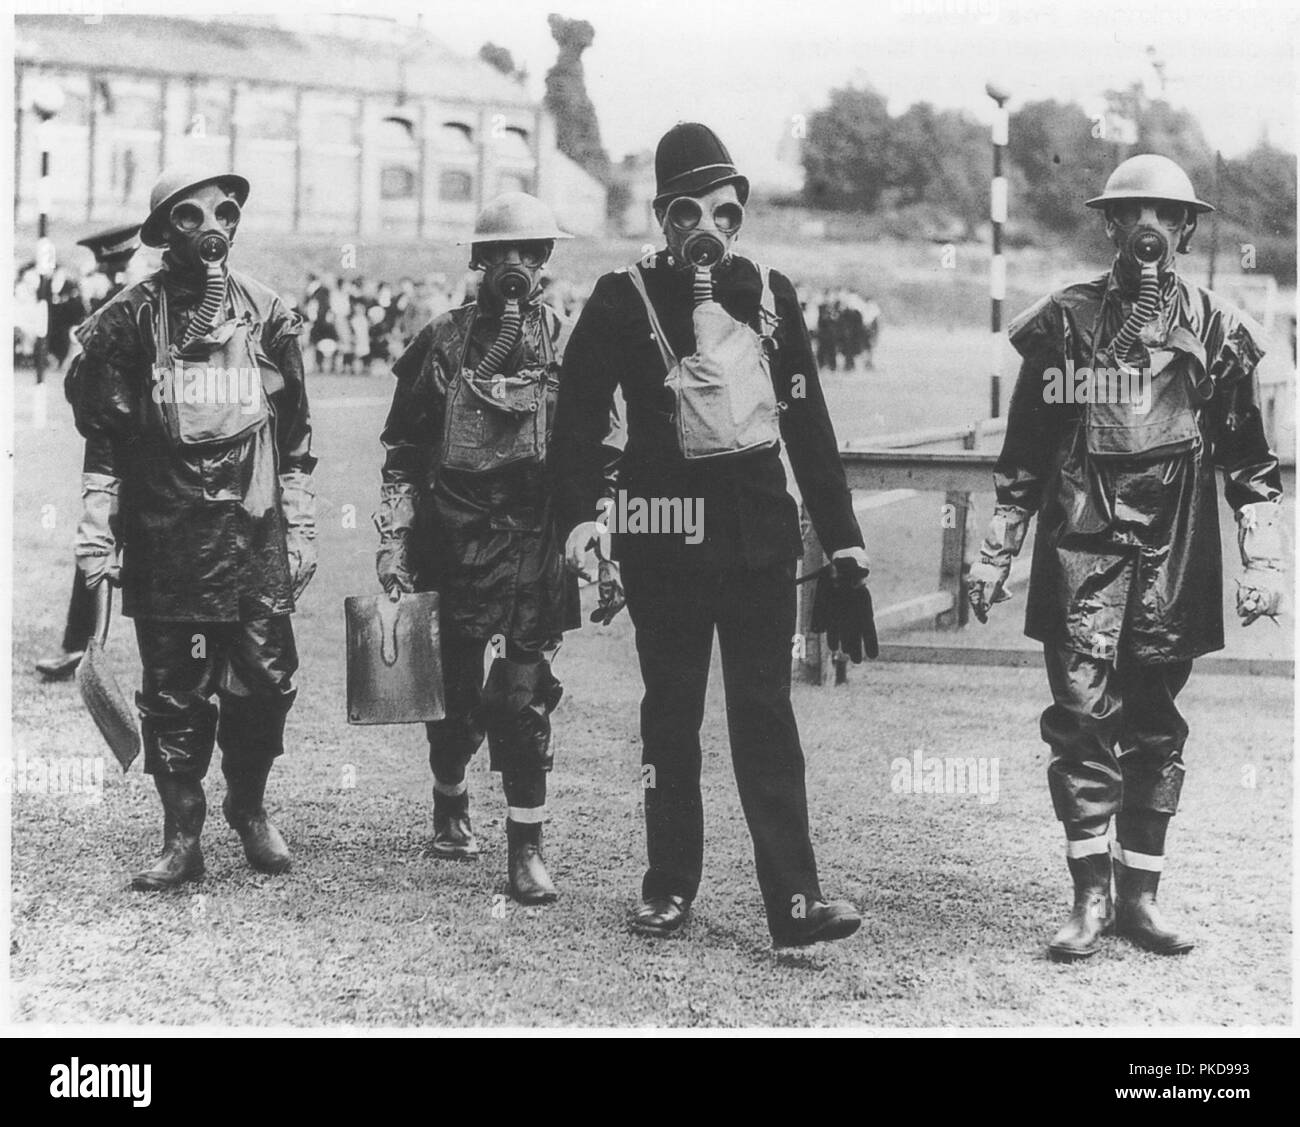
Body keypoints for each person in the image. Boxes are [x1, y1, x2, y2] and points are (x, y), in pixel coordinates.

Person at [550, 122, 874, 948]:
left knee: (765, 713)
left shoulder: (769, 291)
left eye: (725, 212)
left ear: (740, 214)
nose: (709, 230)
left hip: (760, 538)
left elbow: (808, 421)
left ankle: (794, 899)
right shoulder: (622, 298)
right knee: (672, 716)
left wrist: (842, 542)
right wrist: (584, 515)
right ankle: (668, 884)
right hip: (663, 539)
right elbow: (579, 417)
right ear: (663, 216)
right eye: (688, 211)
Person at [967, 154, 1285, 961]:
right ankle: (1090, 897)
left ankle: (1140, 892)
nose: (1149, 228)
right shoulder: (1068, 322)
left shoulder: (1216, 326)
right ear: (1110, 223)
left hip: (1173, 548)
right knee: (1079, 720)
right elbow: (1027, 448)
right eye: (1132, 212)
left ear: (1185, 226)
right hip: (1082, 536)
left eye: (1165, 215)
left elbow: (1248, 456)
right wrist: (997, 546)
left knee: (1154, 722)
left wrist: (1264, 555)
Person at [68, 167, 317, 891]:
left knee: (267, 683)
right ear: (164, 230)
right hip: (167, 532)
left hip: (253, 531)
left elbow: (296, 433)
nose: (213, 227)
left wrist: (301, 522)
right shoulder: (128, 318)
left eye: (226, 212)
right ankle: (182, 833)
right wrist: (94, 525)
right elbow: (105, 436)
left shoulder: (269, 312)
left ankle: (249, 803)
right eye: (192, 215)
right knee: (173, 689)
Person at [375, 192, 579, 904]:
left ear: (546, 261)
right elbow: (403, 451)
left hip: (532, 538)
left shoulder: (565, 343)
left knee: (521, 699)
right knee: (454, 697)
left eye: (532, 252)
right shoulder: (440, 342)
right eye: (503, 254)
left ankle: (527, 848)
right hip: (452, 538)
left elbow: (593, 453)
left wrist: (595, 531)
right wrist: (394, 539)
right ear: (479, 260)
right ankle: (450, 799)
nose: (517, 266)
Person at [36, 223, 143, 682]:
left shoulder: (120, 305)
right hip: (127, 441)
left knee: (102, 548)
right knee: (105, 548)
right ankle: (82, 646)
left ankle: (81, 645)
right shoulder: (130, 300)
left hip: (121, 444)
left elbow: (85, 386)